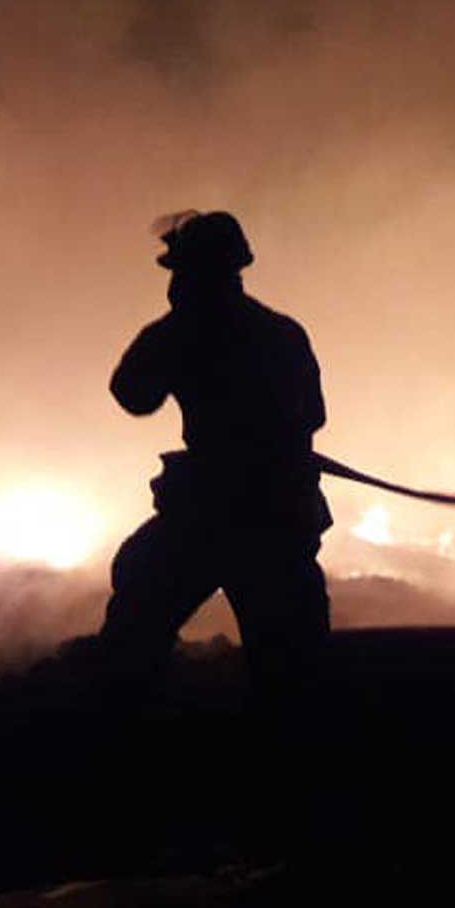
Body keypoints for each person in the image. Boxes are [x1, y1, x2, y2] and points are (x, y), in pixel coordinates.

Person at [95, 210, 332, 718]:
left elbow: (132, 393)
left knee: (136, 619)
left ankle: (113, 746)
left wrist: (171, 332)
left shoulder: (181, 334)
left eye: (180, 273)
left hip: (210, 518)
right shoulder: (283, 333)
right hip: (279, 516)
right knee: (295, 669)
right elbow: (314, 416)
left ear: (190, 275)